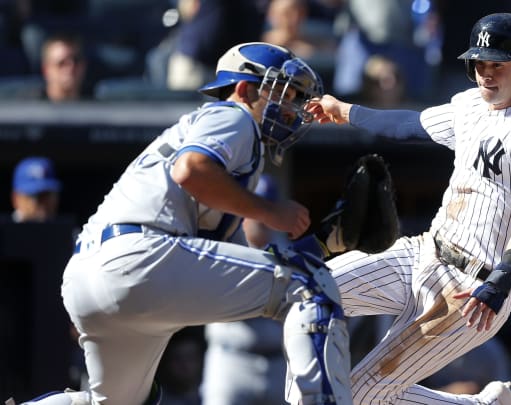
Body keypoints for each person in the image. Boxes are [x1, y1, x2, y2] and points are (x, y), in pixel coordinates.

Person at [6, 42, 354, 405]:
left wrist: (322, 245)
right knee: (307, 283)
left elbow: (233, 264)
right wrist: (270, 211)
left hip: (93, 272)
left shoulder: (218, 138)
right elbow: (191, 170)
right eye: (284, 93)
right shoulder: (235, 117)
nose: (292, 109)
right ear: (243, 88)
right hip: (141, 257)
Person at [307, 12, 511, 405]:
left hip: (470, 290)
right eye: (479, 63)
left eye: (497, 64)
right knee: (307, 290)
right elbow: (411, 125)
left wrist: (499, 282)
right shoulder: (470, 105)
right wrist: (344, 111)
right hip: (424, 252)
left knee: (361, 396)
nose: (486, 74)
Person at [200, 174, 288, 405]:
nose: (261, 218)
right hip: (232, 360)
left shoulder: (288, 251)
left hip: (279, 362)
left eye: (267, 208)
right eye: (255, 208)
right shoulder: (222, 245)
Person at [10, 156, 62, 223]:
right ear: (16, 199)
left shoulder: (71, 231)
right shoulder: (3, 231)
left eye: (47, 195)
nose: (42, 204)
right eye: (34, 195)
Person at [39, 33, 89, 101]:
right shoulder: (28, 107)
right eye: (61, 63)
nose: (71, 67)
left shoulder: (100, 106)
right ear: (46, 69)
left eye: (76, 61)